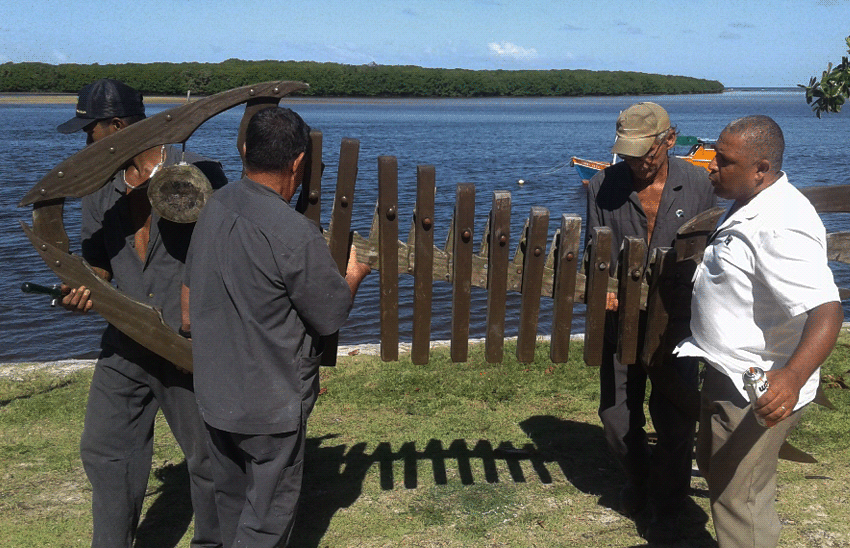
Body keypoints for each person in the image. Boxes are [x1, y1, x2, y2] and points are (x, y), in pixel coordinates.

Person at [183, 106, 372, 548]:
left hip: (214, 395)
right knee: (265, 524)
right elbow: (329, 315)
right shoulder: (292, 232)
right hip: (270, 404)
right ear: (298, 163)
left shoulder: (214, 207)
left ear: (245, 151)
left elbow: (187, 310)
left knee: (229, 508)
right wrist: (355, 273)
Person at [57, 78, 226, 548]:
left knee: (208, 460)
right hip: (124, 344)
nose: (85, 140)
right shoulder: (98, 187)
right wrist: (85, 288)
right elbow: (99, 262)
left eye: (89, 129)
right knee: (105, 450)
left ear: (115, 127)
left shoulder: (198, 174)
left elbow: (228, 254)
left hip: (187, 347)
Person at [674, 115, 843, 548]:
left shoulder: (780, 224)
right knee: (718, 471)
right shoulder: (751, 200)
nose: (710, 166)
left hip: (759, 386)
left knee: (740, 500)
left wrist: (790, 378)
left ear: (761, 169)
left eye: (724, 161)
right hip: (726, 370)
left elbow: (827, 311)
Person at [585, 102, 716, 542]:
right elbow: (593, 249)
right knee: (617, 416)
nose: (637, 164)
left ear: (670, 140)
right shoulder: (604, 184)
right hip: (620, 322)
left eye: (646, 154)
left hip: (679, 323)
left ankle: (669, 498)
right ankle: (639, 480)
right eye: (628, 154)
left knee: (676, 416)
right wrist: (600, 285)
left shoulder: (700, 182)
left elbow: (717, 249)